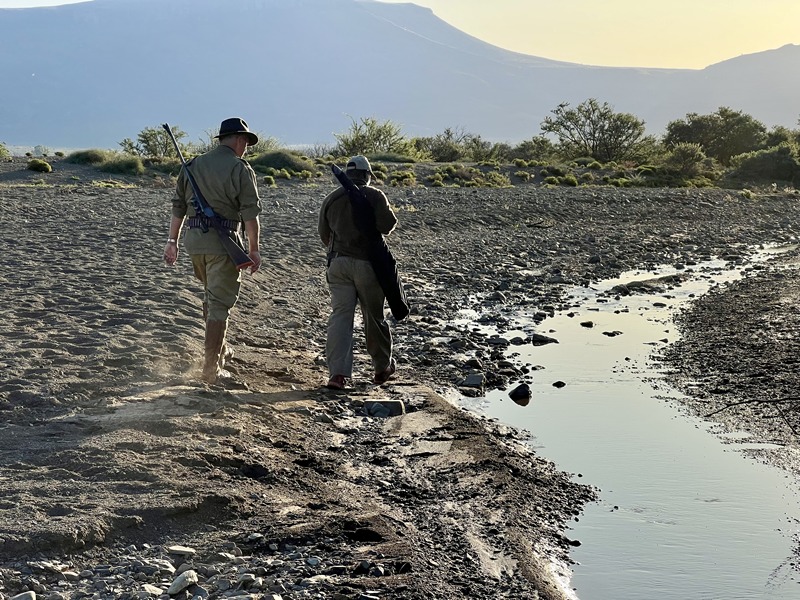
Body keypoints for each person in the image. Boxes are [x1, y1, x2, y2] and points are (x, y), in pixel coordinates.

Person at [163, 117, 262, 384]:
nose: (246, 148)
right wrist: (254, 250)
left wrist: (171, 241)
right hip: (224, 244)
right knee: (219, 304)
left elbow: (178, 207)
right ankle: (211, 369)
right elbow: (250, 215)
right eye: (246, 144)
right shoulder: (240, 168)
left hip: (194, 243)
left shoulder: (192, 165)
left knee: (211, 296)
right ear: (240, 140)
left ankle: (220, 349)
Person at [318, 155, 398, 389]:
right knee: (373, 316)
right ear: (367, 175)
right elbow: (388, 226)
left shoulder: (331, 198)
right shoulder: (374, 195)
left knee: (340, 317)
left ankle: (338, 375)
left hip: (338, 264)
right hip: (367, 265)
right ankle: (382, 367)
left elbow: (324, 234)